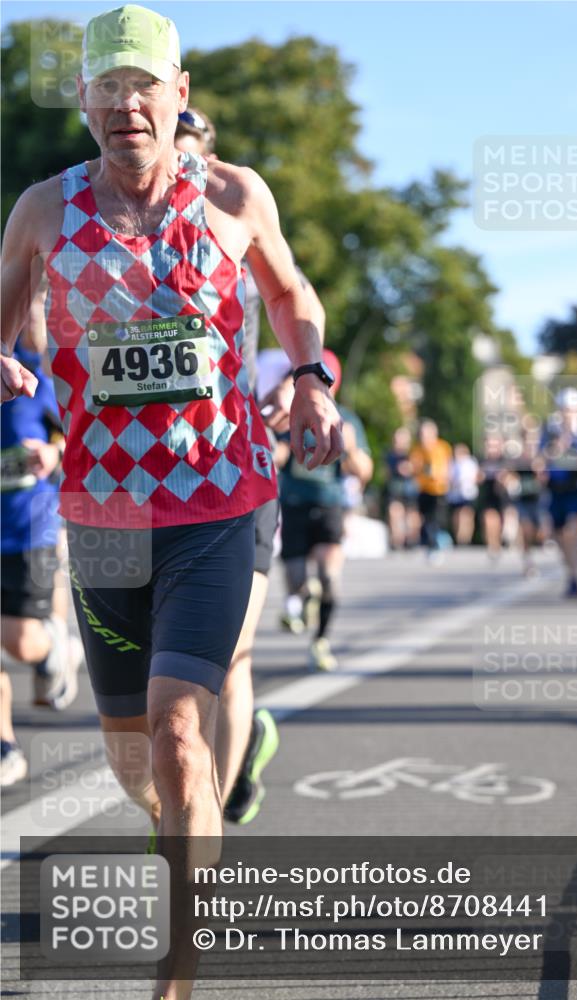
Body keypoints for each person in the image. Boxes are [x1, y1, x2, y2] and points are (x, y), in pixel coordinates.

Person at [0, 7, 342, 998]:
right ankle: (186, 820)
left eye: (144, 86)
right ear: (83, 101)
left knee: (180, 734)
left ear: (178, 94)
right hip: (103, 517)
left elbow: (291, 294)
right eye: (107, 87)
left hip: (218, 502)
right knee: (135, 763)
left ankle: (178, 974)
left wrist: (310, 376)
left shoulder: (234, 194)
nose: (127, 106)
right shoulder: (42, 211)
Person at [174, 106, 324, 825]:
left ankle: (193, 830)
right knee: (156, 679)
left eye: (190, 153)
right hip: (141, 480)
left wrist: (301, 384)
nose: (178, 166)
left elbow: (298, 305)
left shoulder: (232, 217)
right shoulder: (108, 229)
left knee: (226, 655)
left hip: (236, 465)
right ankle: (200, 791)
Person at [1, 336, 82, 786]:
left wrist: (55, 452)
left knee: (20, 642)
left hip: (27, 531)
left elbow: (78, 432)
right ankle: (5, 745)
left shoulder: (31, 372)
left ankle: (55, 645)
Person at [275, 349, 373, 670]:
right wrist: (277, 450)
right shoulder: (291, 412)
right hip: (294, 504)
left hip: (329, 504)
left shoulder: (347, 418)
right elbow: (275, 455)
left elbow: (365, 471)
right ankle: (306, 598)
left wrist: (352, 450)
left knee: (330, 576)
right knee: (296, 580)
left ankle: (321, 640)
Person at [540, 387, 577, 598]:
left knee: (572, 528)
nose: (568, 414)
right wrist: (554, 449)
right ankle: (572, 574)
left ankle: (575, 575)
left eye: (572, 410)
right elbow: (541, 455)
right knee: (559, 535)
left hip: (576, 487)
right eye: (565, 410)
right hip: (555, 487)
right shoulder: (550, 429)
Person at [410, 419, 452, 561]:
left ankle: (435, 545)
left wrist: (441, 476)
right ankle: (428, 543)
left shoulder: (442, 447)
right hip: (423, 488)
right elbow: (414, 467)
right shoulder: (417, 450)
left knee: (436, 518)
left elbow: (446, 467)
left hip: (438, 489)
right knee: (425, 518)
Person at [383, 427, 420, 550]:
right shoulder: (389, 455)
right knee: (394, 512)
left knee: (411, 514)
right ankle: (397, 540)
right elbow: (386, 473)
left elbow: (417, 469)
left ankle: (411, 540)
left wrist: (409, 468)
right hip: (395, 488)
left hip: (409, 488)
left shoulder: (413, 453)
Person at [477, 434, 510, 561]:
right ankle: (492, 546)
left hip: (502, 497)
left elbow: (510, 479)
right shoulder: (482, 461)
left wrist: (503, 479)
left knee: (502, 523)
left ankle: (498, 543)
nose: (492, 449)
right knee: (489, 520)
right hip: (488, 495)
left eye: (494, 445)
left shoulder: (505, 461)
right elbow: (477, 478)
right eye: (489, 446)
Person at [447, 443, 479, 546]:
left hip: (468, 493)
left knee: (466, 514)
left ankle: (466, 538)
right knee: (457, 515)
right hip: (455, 494)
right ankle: (458, 537)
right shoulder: (452, 464)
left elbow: (475, 477)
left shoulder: (470, 463)